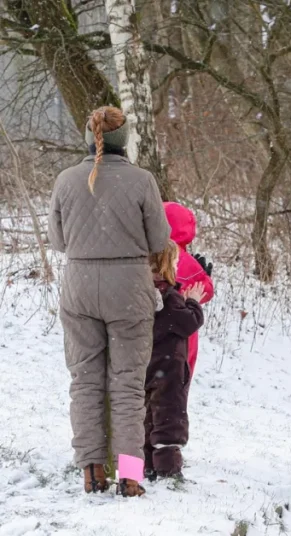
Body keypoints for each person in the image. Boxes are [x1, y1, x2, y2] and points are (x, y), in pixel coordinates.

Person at [48, 106, 171, 497]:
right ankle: (131, 476)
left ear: (89, 137)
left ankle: (91, 472)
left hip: (80, 285)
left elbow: (58, 241)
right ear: (124, 140)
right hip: (129, 289)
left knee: (84, 383)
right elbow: (158, 240)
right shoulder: (142, 180)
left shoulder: (66, 180)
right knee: (129, 386)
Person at [145, 241, 206, 479]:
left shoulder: (140, 295)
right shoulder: (169, 298)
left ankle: (143, 467)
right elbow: (189, 322)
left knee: (145, 419)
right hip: (169, 370)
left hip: (146, 366)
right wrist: (193, 301)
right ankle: (168, 471)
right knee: (169, 419)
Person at [163, 202, 215, 382]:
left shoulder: (146, 254)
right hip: (182, 333)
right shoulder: (186, 262)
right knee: (178, 382)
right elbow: (206, 291)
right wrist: (205, 277)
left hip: (151, 332)